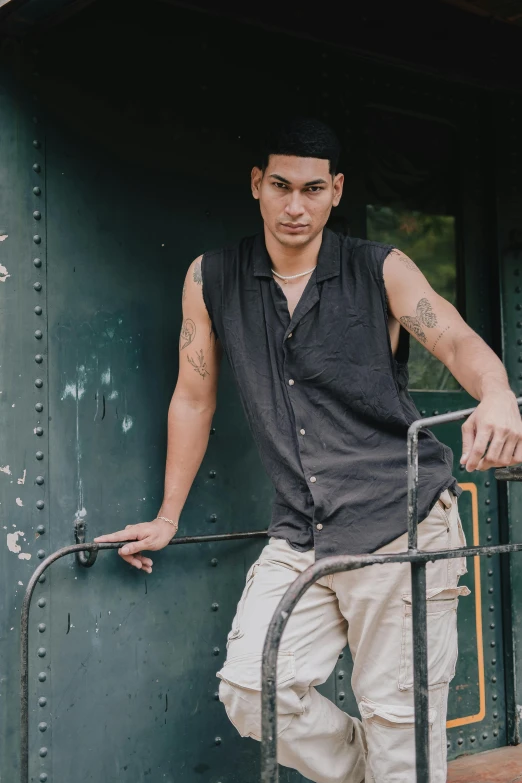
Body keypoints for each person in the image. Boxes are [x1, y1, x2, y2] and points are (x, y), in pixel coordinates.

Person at [94, 117, 522, 782]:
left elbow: (456, 339)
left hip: (401, 521)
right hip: (303, 530)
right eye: (283, 186)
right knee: (250, 690)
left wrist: (497, 392)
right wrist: (169, 515)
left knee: (399, 721)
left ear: (337, 190)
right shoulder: (211, 278)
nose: (297, 205)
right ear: (258, 185)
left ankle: (400, 764)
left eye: (314, 188)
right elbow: (194, 396)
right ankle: (386, 769)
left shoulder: (380, 266)